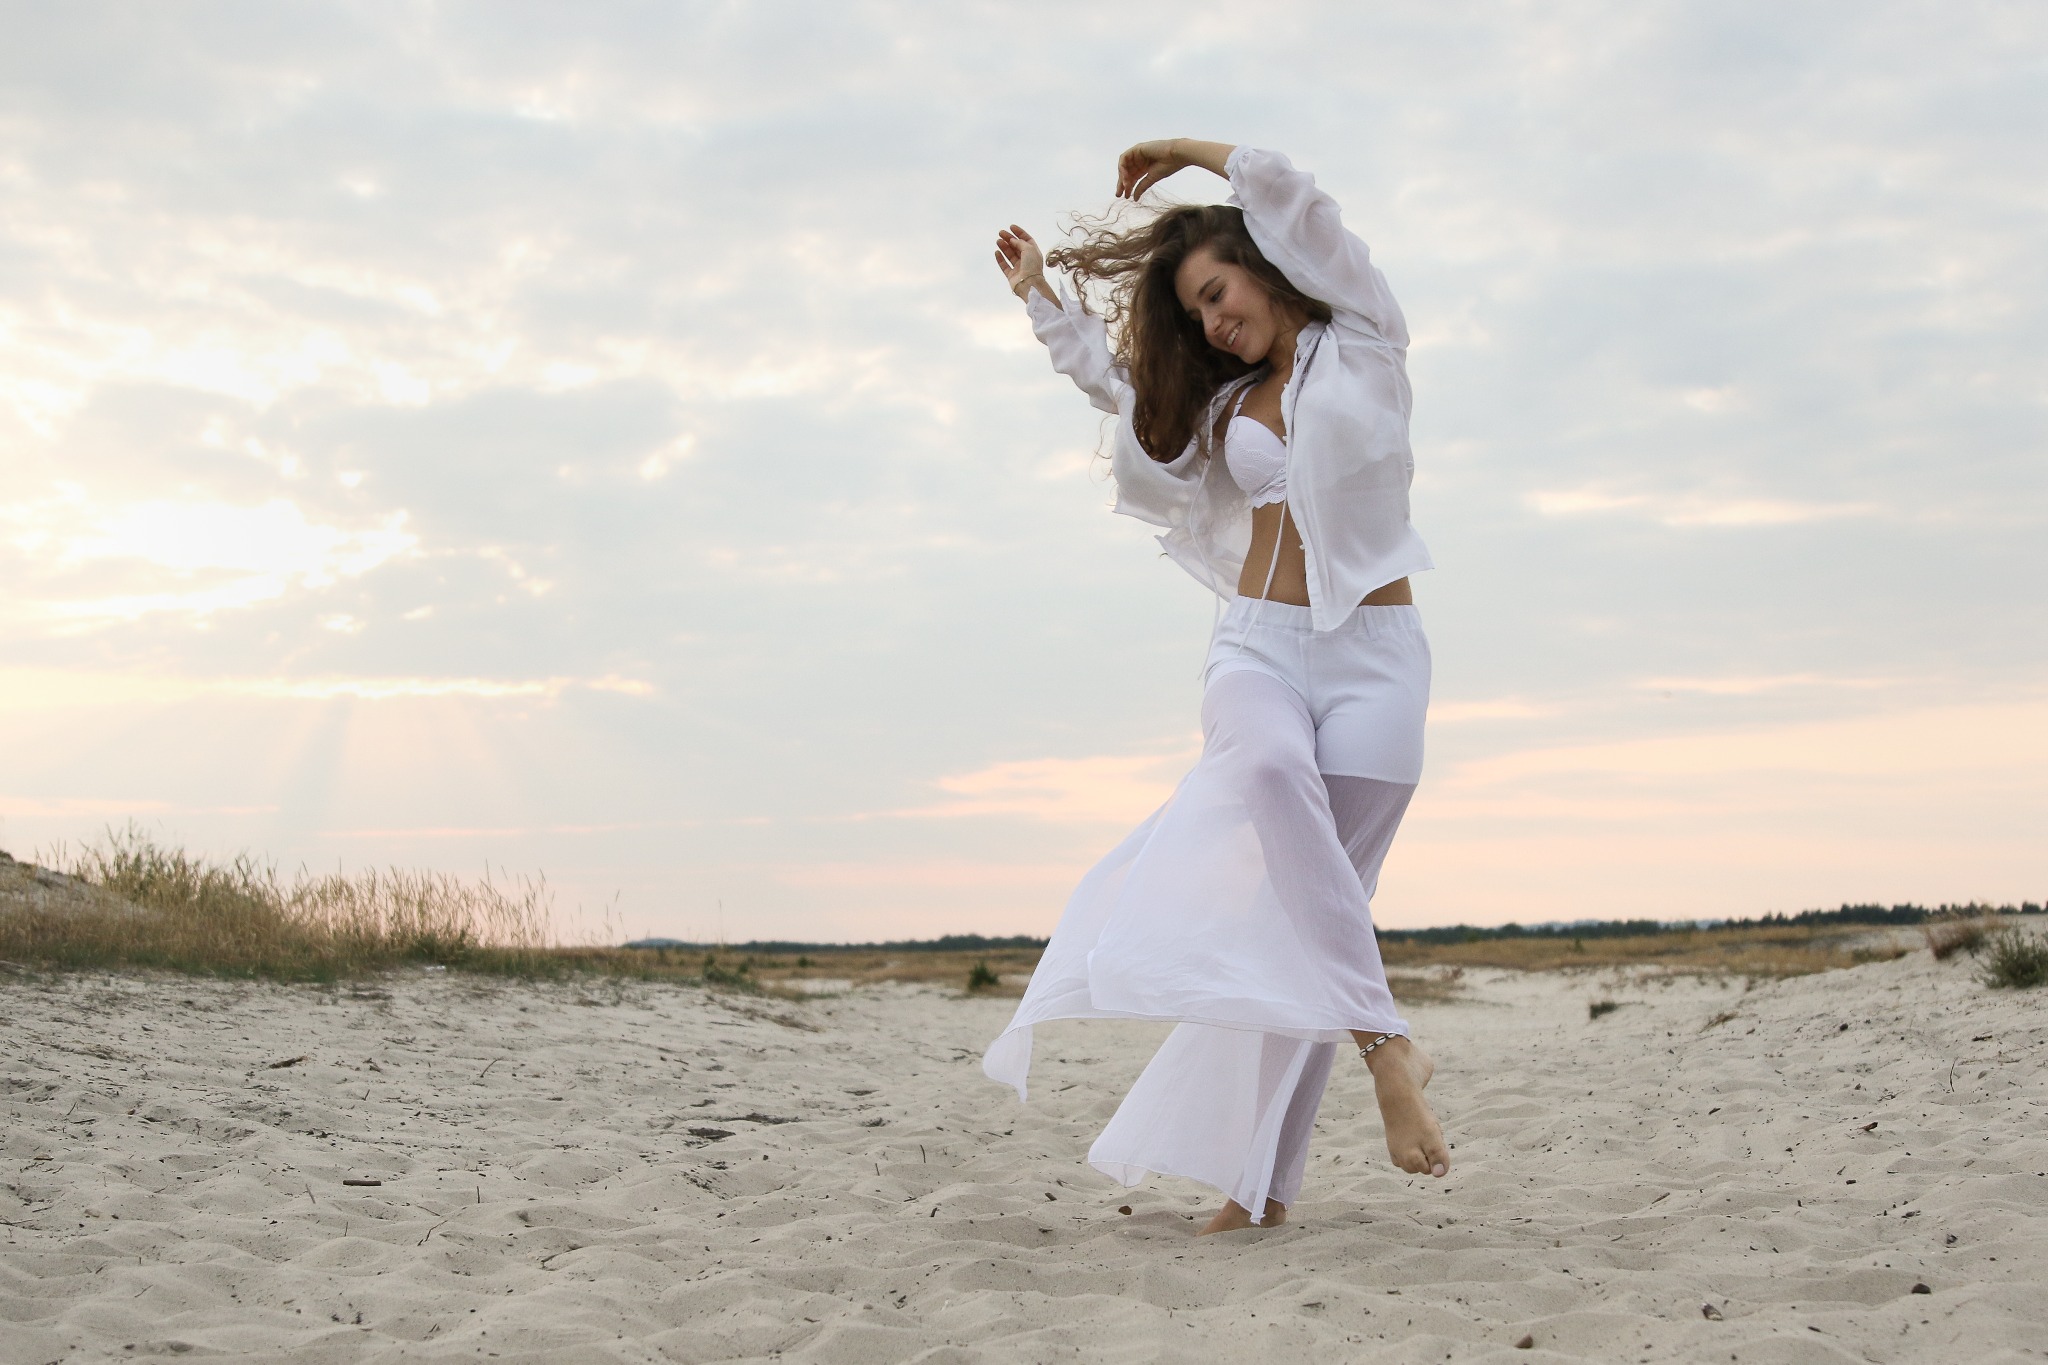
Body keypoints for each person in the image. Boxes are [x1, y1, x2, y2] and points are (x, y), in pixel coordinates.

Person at [982, 138, 1450, 1236]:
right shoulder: (1222, 406)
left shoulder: (1368, 339)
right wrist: (1043, 304)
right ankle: (1386, 1047)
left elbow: (1295, 191)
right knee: (1274, 776)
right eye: (1191, 312)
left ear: (1265, 267)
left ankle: (1257, 1190)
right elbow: (1118, 390)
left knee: (1307, 924)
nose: (1207, 322)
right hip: (1257, 649)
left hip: (1378, 662)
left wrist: (1192, 153)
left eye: (1215, 293)